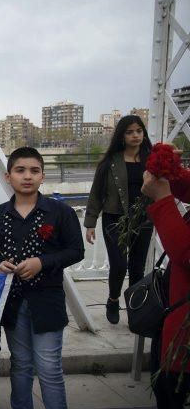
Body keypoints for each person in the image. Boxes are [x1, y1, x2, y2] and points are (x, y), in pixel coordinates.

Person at [0, 147, 84, 409]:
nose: (27, 176)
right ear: (8, 176)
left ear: (42, 175)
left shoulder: (59, 212)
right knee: (21, 367)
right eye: (20, 170)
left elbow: (75, 250)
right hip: (12, 303)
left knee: (50, 370)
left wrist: (43, 262)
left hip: (47, 302)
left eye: (34, 170)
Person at [129, 162, 190, 409]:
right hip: (177, 323)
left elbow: (185, 251)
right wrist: (171, 172)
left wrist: (162, 198)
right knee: (169, 392)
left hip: (185, 332)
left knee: (180, 403)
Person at [84, 115, 153, 324]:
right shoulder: (110, 162)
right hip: (115, 218)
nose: (135, 135)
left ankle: (135, 309)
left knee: (137, 268)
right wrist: (90, 223)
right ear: (122, 135)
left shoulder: (152, 159)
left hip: (144, 219)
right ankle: (113, 300)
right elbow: (96, 193)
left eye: (139, 131)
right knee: (119, 264)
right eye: (130, 132)